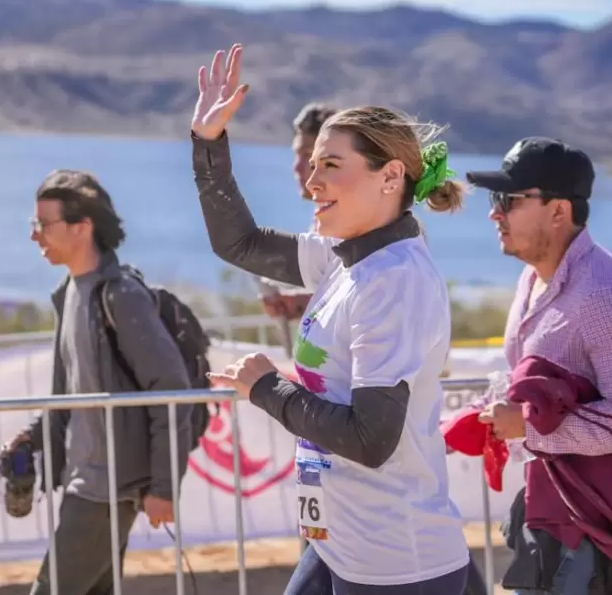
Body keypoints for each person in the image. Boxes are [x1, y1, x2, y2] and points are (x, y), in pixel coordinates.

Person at [190, 43, 471, 594]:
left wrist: (267, 389)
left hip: (395, 565)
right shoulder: (346, 255)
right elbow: (239, 242)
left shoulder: (395, 280)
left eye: (331, 166)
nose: (312, 182)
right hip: (338, 544)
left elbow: (370, 439)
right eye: (313, 165)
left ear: (390, 177)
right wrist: (207, 144)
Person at [466, 137, 612, 593]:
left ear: (558, 211)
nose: (494, 213)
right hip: (558, 501)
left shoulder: (610, 296)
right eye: (493, 199)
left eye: (508, 200)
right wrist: (486, 413)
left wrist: (527, 425)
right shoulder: (533, 279)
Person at [1, 170, 194, 595]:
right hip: (85, 481)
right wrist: (32, 438)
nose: (35, 236)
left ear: (82, 226)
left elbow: (171, 389)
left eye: (43, 225)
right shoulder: (69, 292)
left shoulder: (120, 296)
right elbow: (73, 394)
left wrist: (163, 487)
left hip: (106, 490)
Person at [258, 102, 338, 323]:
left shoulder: (352, 224)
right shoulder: (322, 217)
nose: (296, 167)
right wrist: (299, 302)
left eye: (308, 155)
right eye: (297, 154)